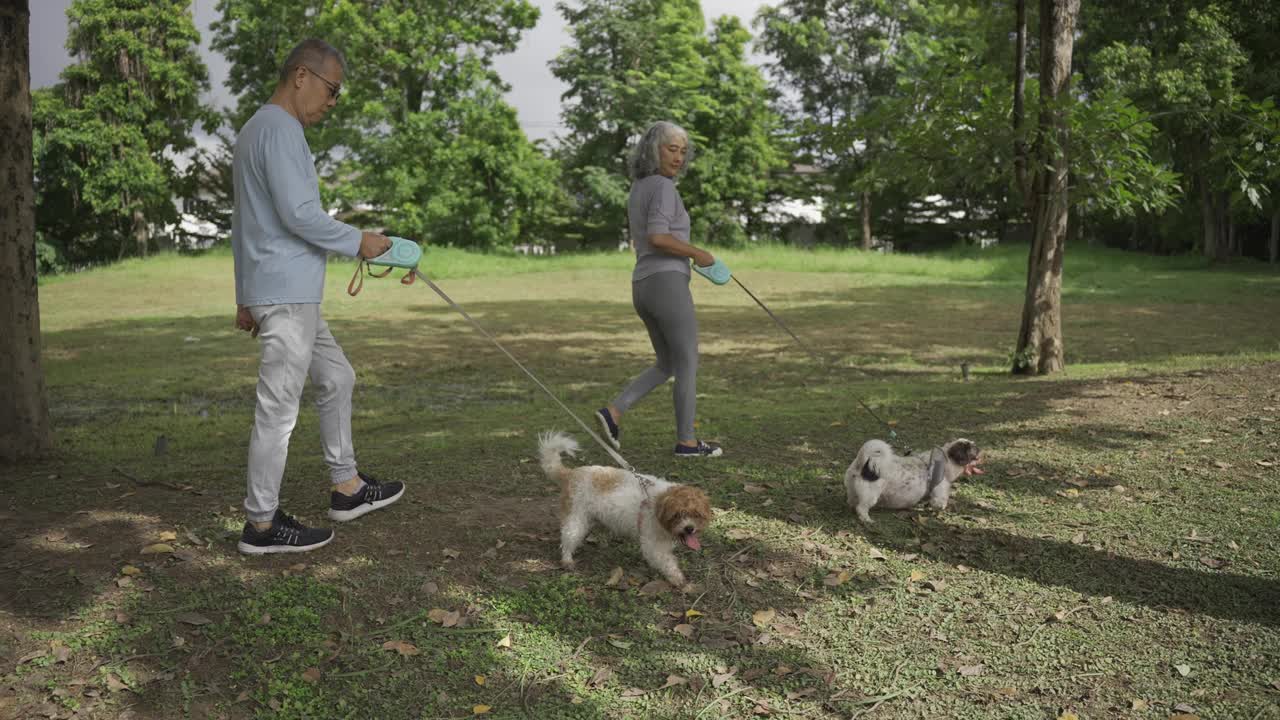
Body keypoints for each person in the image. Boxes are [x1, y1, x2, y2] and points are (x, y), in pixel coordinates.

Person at [231, 38, 405, 554]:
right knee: (278, 409)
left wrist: (244, 297)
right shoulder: (280, 129)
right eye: (332, 90)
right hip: (285, 294)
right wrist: (360, 242)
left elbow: (245, 222)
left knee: (337, 376)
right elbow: (297, 216)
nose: (333, 102)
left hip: (286, 291)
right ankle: (260, 526)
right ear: (301, 76)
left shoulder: (254, 129)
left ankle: (347, 488)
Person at [595, 121, 723, 458]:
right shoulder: (664, 188)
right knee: (687, 362)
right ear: (654, 149)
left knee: (667, 363)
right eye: (672, 149)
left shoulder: (640, 186)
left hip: (643, 285)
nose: (679, 157)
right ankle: (687, 443)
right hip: (667, 283)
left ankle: (615, 412)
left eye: (683, 150)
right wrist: (699, 253)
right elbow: (658, 237)